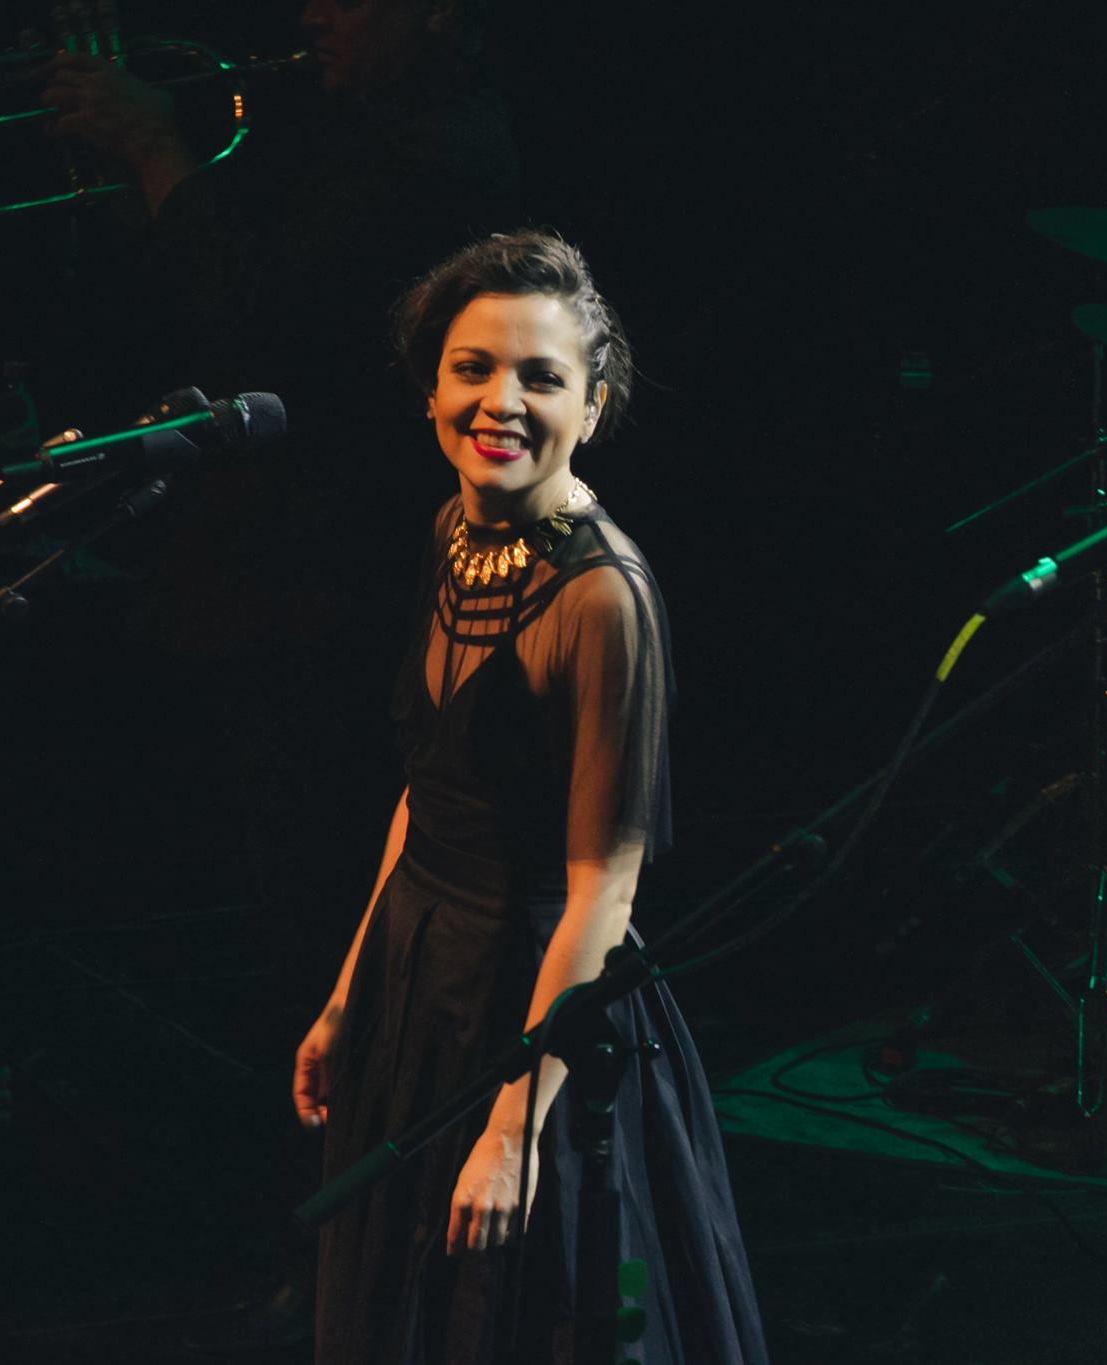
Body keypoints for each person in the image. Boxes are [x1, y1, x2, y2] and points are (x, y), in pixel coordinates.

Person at [290, 230, 768, 1363]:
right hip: (420, 983)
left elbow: (604, 889)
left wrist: (513, 1126)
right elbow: (428, 797)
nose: (500, 401)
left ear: (590, 408)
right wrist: (350, 995)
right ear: (431, 391)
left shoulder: (602, 599)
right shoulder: (454, 531)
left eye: (540, 377)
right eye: (473, 368)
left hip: (539, 1012)